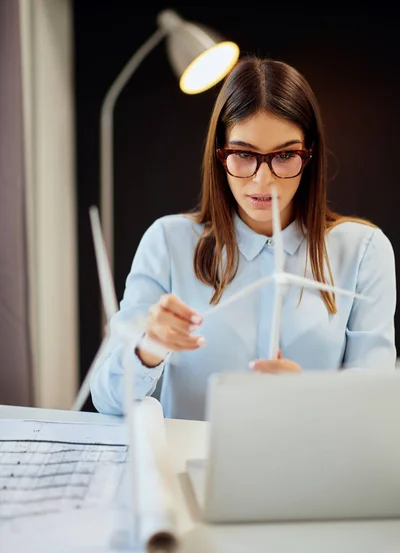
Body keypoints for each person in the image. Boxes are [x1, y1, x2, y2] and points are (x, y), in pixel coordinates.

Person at [90, 55, 397, 420]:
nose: (262, 181)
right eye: (243, 154)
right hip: (191, 471)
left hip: (315, 471)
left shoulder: (363, 250)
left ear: (309, 155)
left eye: (285, 155)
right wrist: (147, 349)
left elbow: (380, 408)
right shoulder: (168, 243)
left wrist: (312, 398)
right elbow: (106, 399)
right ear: (220, 154)